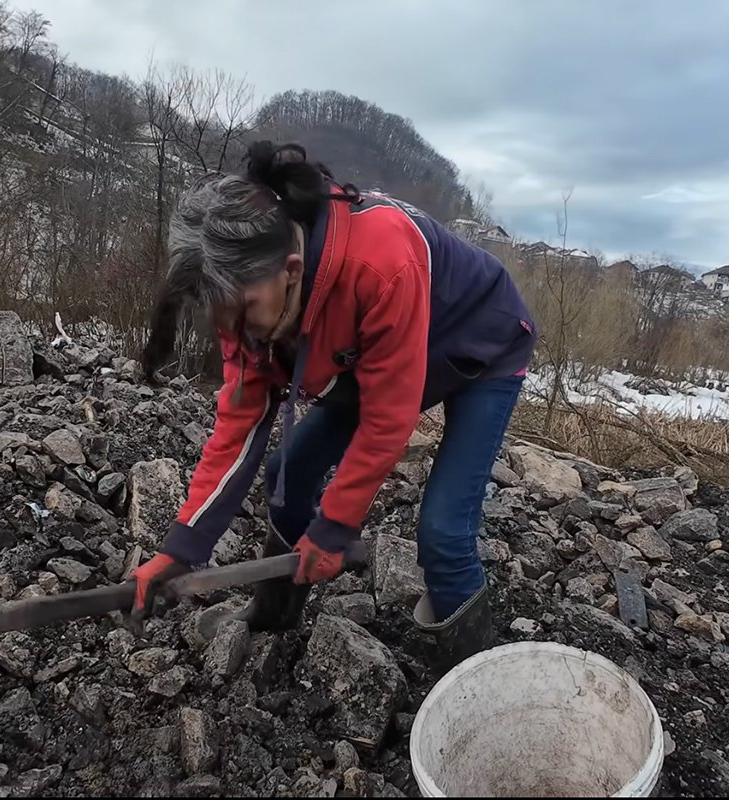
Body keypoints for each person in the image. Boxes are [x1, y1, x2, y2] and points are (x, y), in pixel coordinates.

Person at [125, 141, 537, 669]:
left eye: (246, 311)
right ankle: (275, 616)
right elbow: (236, 431)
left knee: (443, 532)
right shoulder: (244, 304)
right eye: (224, 316)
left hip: (483, 346)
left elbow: (389, 419)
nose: (237, 330)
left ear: (292, 270)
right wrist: (179, 549)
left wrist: (335, 528)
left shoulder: (379, 262)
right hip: (381, 355)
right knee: (285, 476)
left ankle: (480, 687)